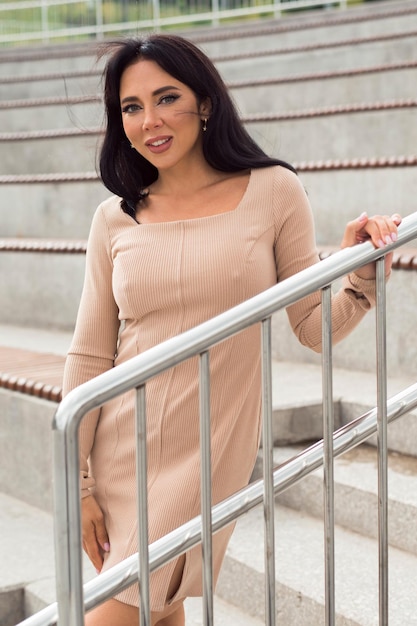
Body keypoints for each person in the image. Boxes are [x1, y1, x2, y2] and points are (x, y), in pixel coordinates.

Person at [62, 33, 401, 626]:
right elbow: (90, 355)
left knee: (138, 604)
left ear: (206, 103)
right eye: (132, 107)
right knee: (159, 610)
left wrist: (358, 276)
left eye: (167, 98)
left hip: (209, 450)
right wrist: (80, 483)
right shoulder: (114, 217)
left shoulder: (273, 191)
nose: (150, 121)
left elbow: (313, 327)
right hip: (120, 451)